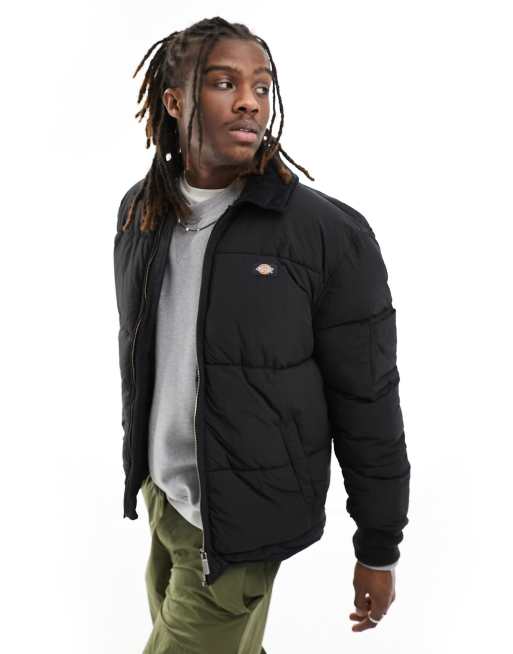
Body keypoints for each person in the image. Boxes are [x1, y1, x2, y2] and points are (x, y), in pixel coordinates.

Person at [113, 16, 411, 653]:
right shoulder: (143, 211)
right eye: (225, 83)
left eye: (262, 86)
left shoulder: (325, 234)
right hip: (167, 501)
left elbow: (368, 399)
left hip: (239, 525)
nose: (250, 101)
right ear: (175, 102)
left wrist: (379, 546)